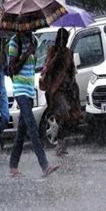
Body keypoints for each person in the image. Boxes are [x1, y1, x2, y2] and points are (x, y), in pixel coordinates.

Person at [8, 31, 59, 177]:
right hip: (20, 90)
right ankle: (44, 165)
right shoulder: (14, 42)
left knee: (22, 130)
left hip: (30, 90)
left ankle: (13, 166)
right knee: (32, 125)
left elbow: (34, 64)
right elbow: (13, 69)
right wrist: (25, 54)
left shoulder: (34, 40)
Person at [40, 28, 81, 156]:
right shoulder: (52, 51)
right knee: (63, 115)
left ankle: (62, 143)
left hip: (68, 89)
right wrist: (57, 57)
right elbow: (47, 68)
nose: (64, 42)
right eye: (63, 39)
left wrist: (73, 87)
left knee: (72, 117)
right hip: (56, 91)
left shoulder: (68, 53)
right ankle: (60, 144)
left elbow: (72, 71)